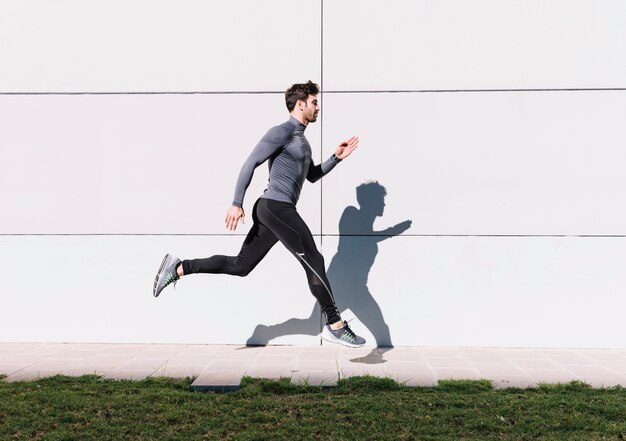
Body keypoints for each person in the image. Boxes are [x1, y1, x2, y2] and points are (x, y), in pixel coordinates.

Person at [153, 80, 365, 348]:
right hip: (276, 208)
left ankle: (179, 267)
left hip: (274, 211)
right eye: (314, 102)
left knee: (241, 266)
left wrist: (336, 157)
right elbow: (250, 162)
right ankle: (335, 325)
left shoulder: (301, 140)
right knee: (314, 259)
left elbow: (310, 176)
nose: (318, 107)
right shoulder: (282, 132)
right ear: (300, 104)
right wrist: (236, 202)